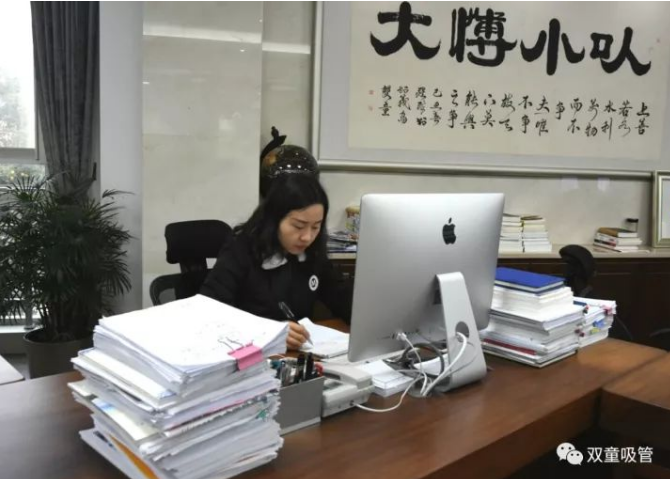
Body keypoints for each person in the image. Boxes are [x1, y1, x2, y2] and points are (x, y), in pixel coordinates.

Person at [201, 174, 352, 350]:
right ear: (274, 219)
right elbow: (211, 312)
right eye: (298, 226)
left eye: (315, 227)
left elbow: (339, 295)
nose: (307, 237)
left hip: (296, 354)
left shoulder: (313, 252)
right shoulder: (241, 250)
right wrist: (269, 332)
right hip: (249, 353)